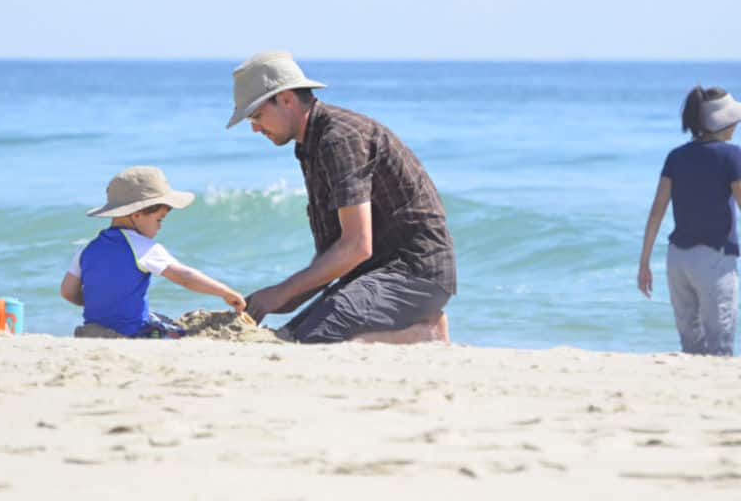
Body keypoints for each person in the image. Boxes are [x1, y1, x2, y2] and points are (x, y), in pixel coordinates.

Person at [226, 51, 455, 344]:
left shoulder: (340, 139)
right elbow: (334, 252)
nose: (255, 127)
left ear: (286, 99)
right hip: (371, 276)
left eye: (256, 115)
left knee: (312, 341)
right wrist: (278, 300)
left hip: (415, 275)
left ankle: (426, 332)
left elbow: (357, 246)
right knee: (291, 334)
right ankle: (413, 323)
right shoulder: (310, 145)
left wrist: (281, 292)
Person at [637, 85, 741, 355]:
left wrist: (644, 262)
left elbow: (656, 211)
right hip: (713, 260)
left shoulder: (676, 156)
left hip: (677, 260)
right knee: (720, 347)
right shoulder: (732, 155)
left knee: (690, 345)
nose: (737, 124)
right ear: (722, 121)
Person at [60, 165, 246, 338]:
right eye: (159, 220)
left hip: (92, 330)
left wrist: (102, 302)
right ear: (137, 216)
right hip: (131, 332)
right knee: (176, 333)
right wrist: (226, 293)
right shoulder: (142, 247)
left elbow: (68, 292)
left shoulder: (87, 249)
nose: (160, 227)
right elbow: (185, 277)